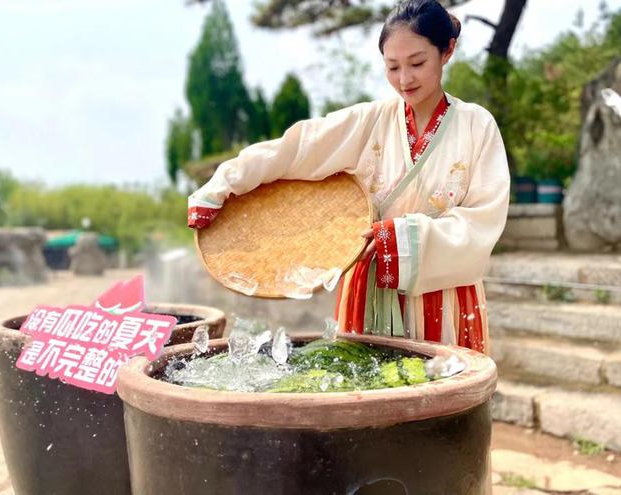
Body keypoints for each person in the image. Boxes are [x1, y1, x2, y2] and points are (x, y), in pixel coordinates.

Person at [187, 0, 510, 355]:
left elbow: (484, 219)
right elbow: (297, 148)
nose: (405, 79)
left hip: (444, 293)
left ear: (447, 51)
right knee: (364, 398)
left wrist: (400, 237)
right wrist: (223, 184)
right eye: (392, 67)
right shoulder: (369, 120)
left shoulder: (476, 125)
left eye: (418, 63)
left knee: (443, 400)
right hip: (368, 286)